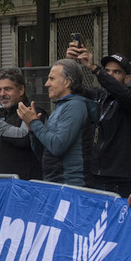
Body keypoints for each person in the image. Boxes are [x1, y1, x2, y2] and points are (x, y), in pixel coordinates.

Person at [67, 47, 131, 197]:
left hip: (116, 179)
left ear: (127, 78)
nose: (110, 75)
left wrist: (95, 68)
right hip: (94, 173)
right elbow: (75, 90)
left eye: (116, 72)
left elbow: (119, 91)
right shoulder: (99, 95)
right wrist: (71, 64)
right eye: (107, 71)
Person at [17, 59, 97, 187]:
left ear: (67, 82)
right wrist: (32, 130)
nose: (46, 84)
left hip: (71, 186)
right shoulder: (61, 107)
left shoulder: (75, 106)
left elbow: (58, 146)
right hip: (56, 184)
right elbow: (44, 153)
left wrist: (34, 123)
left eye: (52, 79)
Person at [0, 68, 45, 181]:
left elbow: (24, 138)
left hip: (24, 187)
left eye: (7, 89)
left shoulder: (32, 111)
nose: (2, 94)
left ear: (21, 90)